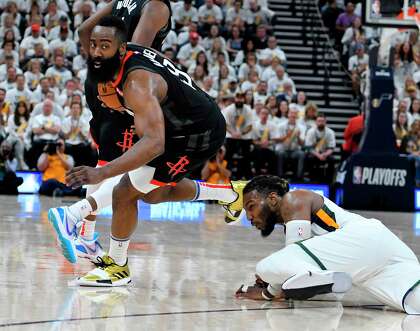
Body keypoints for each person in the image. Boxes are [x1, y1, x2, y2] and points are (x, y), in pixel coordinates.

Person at [49, 17, 244, 284]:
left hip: (197, 133)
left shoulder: (136, 84)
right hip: (178, 125)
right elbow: (84, 29)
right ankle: (231, 193)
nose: (96, 51)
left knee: (125, 192)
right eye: (93, 45)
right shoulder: (126, 53)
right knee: (153, 195)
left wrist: (101, 173)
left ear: (119, 49)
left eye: (104, 46)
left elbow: (154, 144)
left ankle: (114, 263)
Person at [48, 0, 173, 263]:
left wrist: (100, 71)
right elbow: (135, 52)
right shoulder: (157, 6)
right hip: (122, 85)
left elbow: (84, 30)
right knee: (129, 164)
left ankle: (86, 237)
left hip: (98, 82)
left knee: (106, 159)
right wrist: (119, 86)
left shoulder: (122, 0)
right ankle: (80, 227)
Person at [235, 175, 420, 315]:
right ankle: (325, 277)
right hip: (380, 255)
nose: (249, 216)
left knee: (265, 267)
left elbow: (291, 260)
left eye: (251, 206)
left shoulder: (293, 198)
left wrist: (269, 290)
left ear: (273, 199)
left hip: (360, 238)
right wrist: (281, 280)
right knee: (415, 302)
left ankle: (324, 277)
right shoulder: (296, 222)